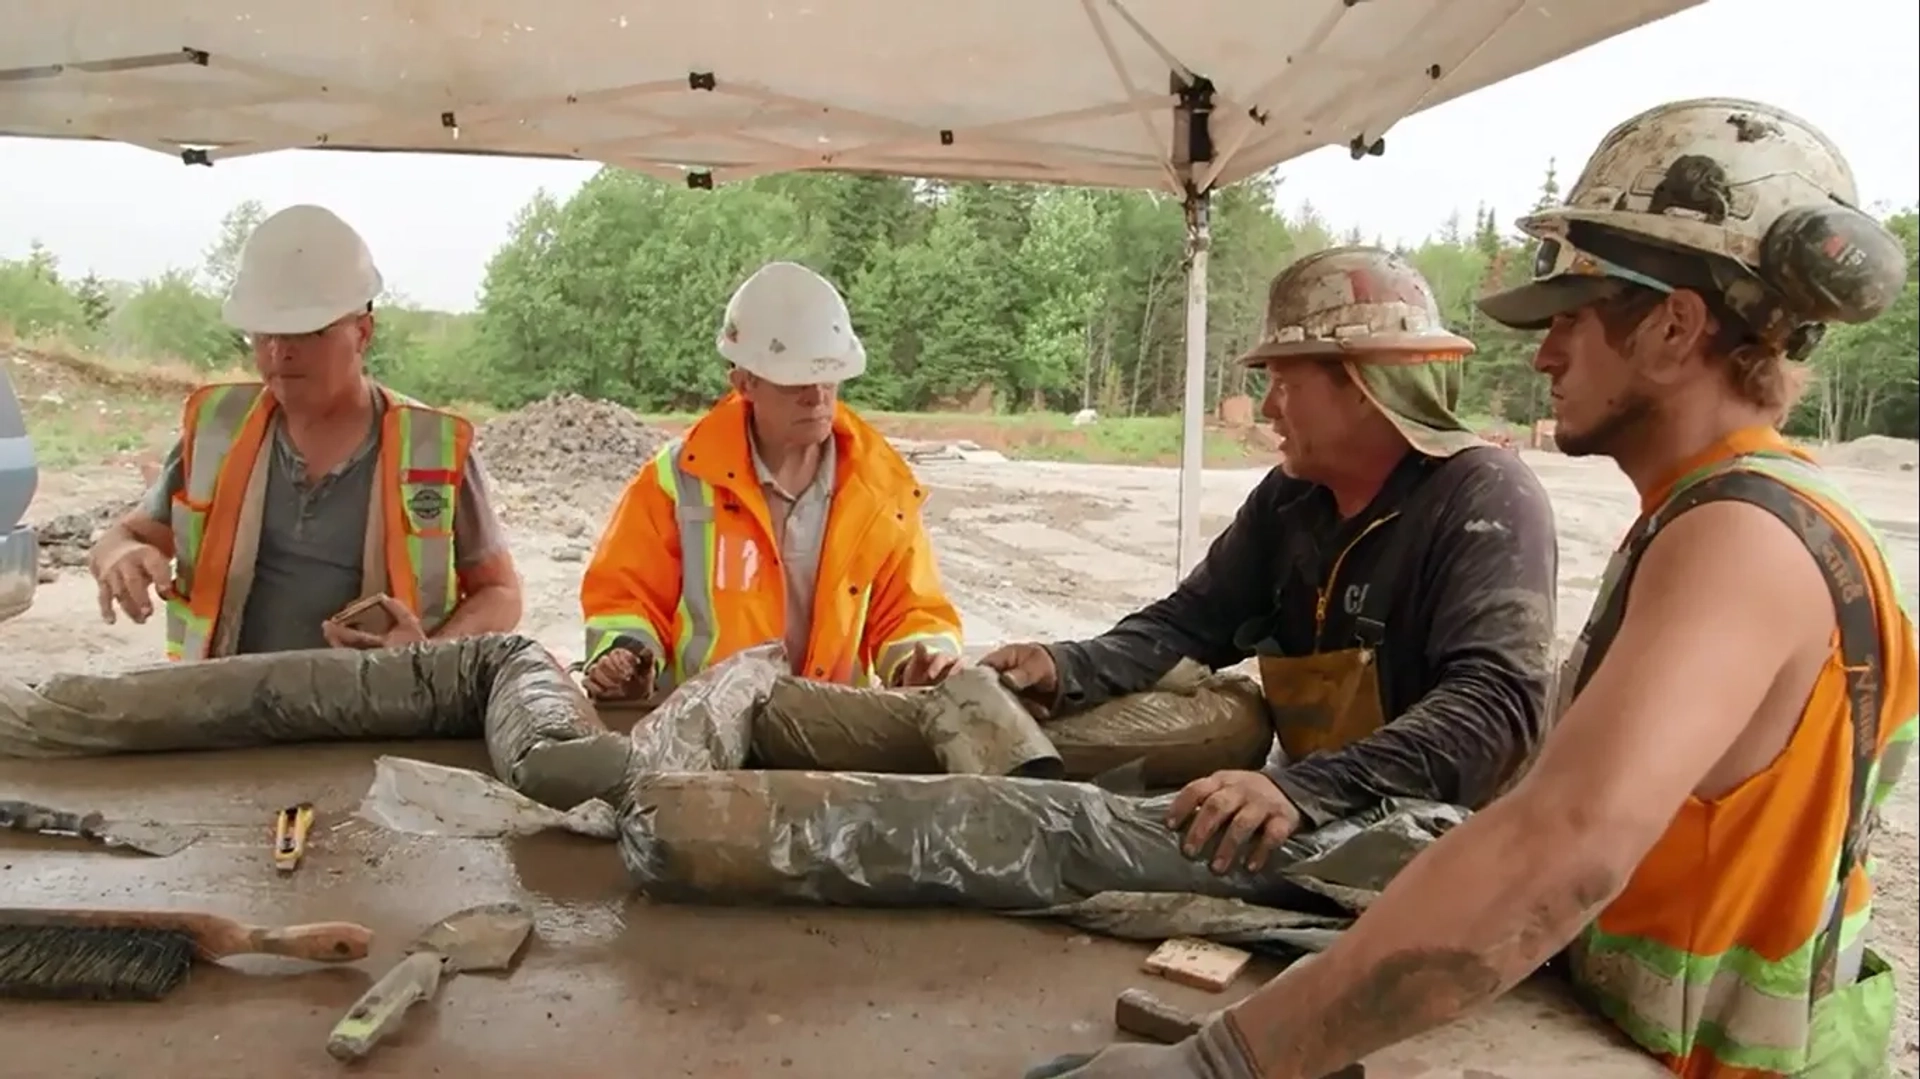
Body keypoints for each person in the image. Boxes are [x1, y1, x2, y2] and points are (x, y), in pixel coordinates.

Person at [1027, 98, 1918, 1079]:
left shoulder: (1740, 537)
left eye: (1569, 321)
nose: (1541, 355)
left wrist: (1226, 1059)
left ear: (1674, 326)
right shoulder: (1722, 515)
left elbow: (1556, 844)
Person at [978, 246, 1560, 873]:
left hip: (1448, 846)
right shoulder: (1292, 499)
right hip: (1322, 804)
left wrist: (1305, 788)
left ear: (1366, 387)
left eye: (1285, 383)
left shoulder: (1485, 496)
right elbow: (1194, 621)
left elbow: (1494, 707)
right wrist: (1067, 666)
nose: (1268, 408)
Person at [88, 204, 523, 660]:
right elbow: (124, 537)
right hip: (228, 711)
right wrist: (119, 557)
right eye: (264, 334)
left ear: (363, 332)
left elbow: (501, 594)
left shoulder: (432, 449)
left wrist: (429, 654)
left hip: (374, 717)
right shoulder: (218, 429)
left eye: (306, 333)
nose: (279, 353)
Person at [578, 261, 963, 702]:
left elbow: (913, 610)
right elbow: (626, 597)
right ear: (744, 383)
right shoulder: (678, 480)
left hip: (831, 730)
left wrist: (925, 658)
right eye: (795, 381)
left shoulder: (879, 488)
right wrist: (627, 654)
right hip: (701, 734)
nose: (816, 396)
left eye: (827, 377)